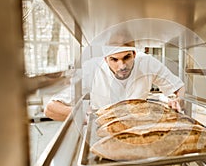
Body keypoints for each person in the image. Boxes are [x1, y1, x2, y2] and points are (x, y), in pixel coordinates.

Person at [44, 32, 185, 121]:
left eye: (127, 57)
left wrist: (177, 99)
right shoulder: (91, 69)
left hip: (139, 126)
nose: (122, 66)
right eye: (114, 60)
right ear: (105, 59)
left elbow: (178, 87)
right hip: (104, 130)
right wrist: (88, 117)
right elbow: (51, 108)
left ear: (134, 54)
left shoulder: (147, 63)